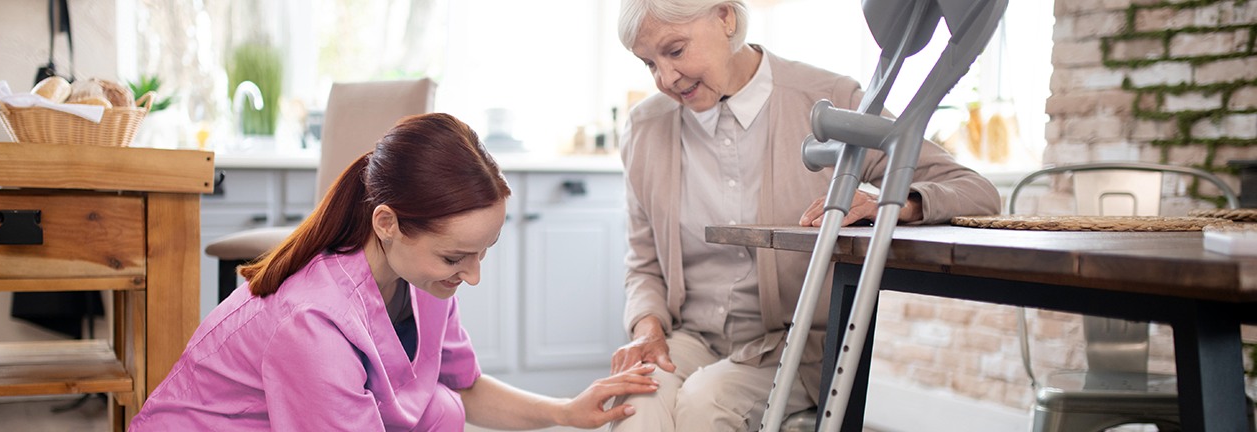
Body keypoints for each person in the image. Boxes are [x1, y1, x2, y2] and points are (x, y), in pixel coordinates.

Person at [609, 1, 1001, 431]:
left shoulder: (830, 100)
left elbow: (974, 190)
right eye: (649, 63)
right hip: (692, 339)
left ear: (725, 18)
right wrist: (647, 329)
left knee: (706, 402)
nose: (665, 78)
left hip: (795, 346)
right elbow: (643, 263)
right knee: (634, 402)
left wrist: (897, 202)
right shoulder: (646, 127)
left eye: (676, 51)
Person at [130, 113, 659, 431]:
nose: (472, 276)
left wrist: (567, 411)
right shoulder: (313, 322)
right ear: (387, 223)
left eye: (483, 252)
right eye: (455, 257)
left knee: (441, 407)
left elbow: (466, 388)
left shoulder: (422, 279)